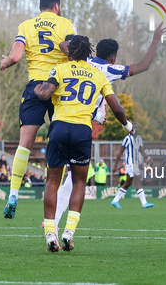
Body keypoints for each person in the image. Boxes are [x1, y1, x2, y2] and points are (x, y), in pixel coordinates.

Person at [35, 35, 133, 253]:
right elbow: (116, 108)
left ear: (70, 52)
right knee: (79, 182)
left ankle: (50, 233)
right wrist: (127, 126)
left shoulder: (60, 69)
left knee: (53, 180)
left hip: (59, 127)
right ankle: (69, 232)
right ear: (88, 52)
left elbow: (44, 93)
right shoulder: (98, 75)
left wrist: (37, 90)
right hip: (82, 130)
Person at [0, 0, 77, 219]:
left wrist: (5, 62)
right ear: (57, 6)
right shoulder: (65, 24)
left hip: (35, 86)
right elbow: (72, 51)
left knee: (25, 144)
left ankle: (13, 193)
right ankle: (59, 195)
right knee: (60, 141)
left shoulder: (26, 26)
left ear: (40, 6)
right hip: (59, 87)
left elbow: (14, 57)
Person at [110, 123, 154, 209]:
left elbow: (142, 151)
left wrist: (149, 158)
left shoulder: (139, 138)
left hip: (135, 163)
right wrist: (115, 165)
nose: (135, 129)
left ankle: (115, 200)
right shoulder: (127, 138)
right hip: (130, 163)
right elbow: (120, 152)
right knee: (138, 180)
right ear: (130, 129)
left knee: (128, 183)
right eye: (133, 127)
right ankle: (144, 202)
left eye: (137, 127)